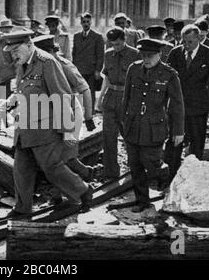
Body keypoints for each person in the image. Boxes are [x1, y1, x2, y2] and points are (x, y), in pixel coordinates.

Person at [0, 30, 93, 218]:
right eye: (12, 51)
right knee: (21, 169)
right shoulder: (22, 64)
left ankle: (82, 191)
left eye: (17, 50)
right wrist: (9, 101)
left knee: (52, 168)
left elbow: (62, 97)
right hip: (24, 127)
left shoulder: (47, 63)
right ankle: (22, 208)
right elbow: (23, 90)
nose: (14, 54)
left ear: (29, 44)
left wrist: (67, 131)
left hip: (44, 129)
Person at [122, 38, 184, 212]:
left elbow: (177, 104)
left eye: (150, 55)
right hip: (133, 127)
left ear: (159, 54)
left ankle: (171, 191)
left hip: (154, 128)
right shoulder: (133, 69)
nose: (146, 59)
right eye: (143, 55)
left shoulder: (169, 74)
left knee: (154, 166)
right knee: (135, 166)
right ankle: (142, 202)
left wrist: (178, 131)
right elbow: (125, 98)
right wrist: (123, 123)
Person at [33, 34, 98, 185]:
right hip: (52, 113)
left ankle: (81, 180)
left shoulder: (64, 65)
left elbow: (85, 89)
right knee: (57, 156)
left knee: (66, 157)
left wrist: (89, 117)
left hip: (70, 112)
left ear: (51, 51)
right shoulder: (41, 65)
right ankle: (83, 176)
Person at [165, 25, 209, 179]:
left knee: (197, 143)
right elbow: (165, 79)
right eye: (184, 42)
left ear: (198, 38)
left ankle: (193, 178)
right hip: (178, 107)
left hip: (198, 107)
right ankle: (171, 178)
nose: (186, 45)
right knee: (174, 142)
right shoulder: (175, 53)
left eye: (190, 42)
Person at [98, 27, 141, 180]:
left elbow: (139, 80)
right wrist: (100, 98)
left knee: (130, 135)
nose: (115, 47)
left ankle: (134, 169)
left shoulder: (135, 54)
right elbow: (106, 77)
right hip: (110, 96)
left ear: (124, 40)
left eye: (117, 44)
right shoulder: (108, 54)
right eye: (112, 44)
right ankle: (111, 173)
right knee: (108, 137)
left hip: (127, 97)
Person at [72, 12, 105, 111]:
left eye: (88, 22)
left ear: (91, 22)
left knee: (90, 91)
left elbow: (100, 55)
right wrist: (73, 68)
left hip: (91, 70)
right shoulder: (76, 36)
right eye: (83, 22)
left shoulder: (97, 36)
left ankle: (90, 112)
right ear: (81, 23)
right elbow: (74, 53)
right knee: (80, 91)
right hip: (79, 69)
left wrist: (98, 70)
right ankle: (82, 111)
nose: (86, 24)